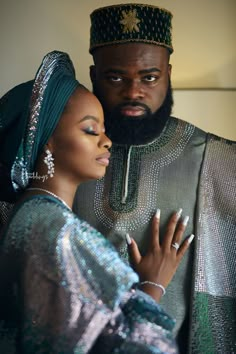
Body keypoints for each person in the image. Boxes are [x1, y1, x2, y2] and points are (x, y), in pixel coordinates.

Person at [0, 50, 194, 353]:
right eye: (91, 130)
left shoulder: (30, 217)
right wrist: (152, 288)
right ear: (46, 137)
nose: (106, 141)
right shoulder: (58, 233)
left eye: (103, 130)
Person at [73, 3, 236, 353]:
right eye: (116, 78)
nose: (133, 92)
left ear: (168, 73)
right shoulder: (59, 154)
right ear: (93, 74)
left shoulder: (218, 159)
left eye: (149, 77)